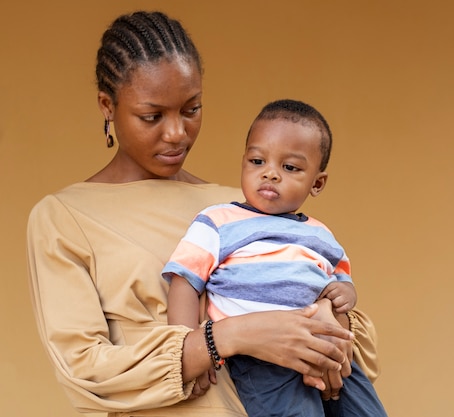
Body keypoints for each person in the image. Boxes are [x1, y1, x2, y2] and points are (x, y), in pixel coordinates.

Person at [26, 11, 380, 417]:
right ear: (108, 106)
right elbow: (85, 372)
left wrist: (326, 319)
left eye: (191, 109)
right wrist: (227, 338)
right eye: (152, 116)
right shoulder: (64, 217)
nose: (177, 133)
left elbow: (355, 347)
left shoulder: (241, 204)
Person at [163, 99, 387, 416]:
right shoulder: (218, 221)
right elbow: (185, 281)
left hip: (326, 351)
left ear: (317, 183)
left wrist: (345, 292)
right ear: (243, 161)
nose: (270, 174)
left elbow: (340, 282)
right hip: (261, 358)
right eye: (257, 161)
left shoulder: (320, 233)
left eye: (290, 167)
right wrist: (189, 347)